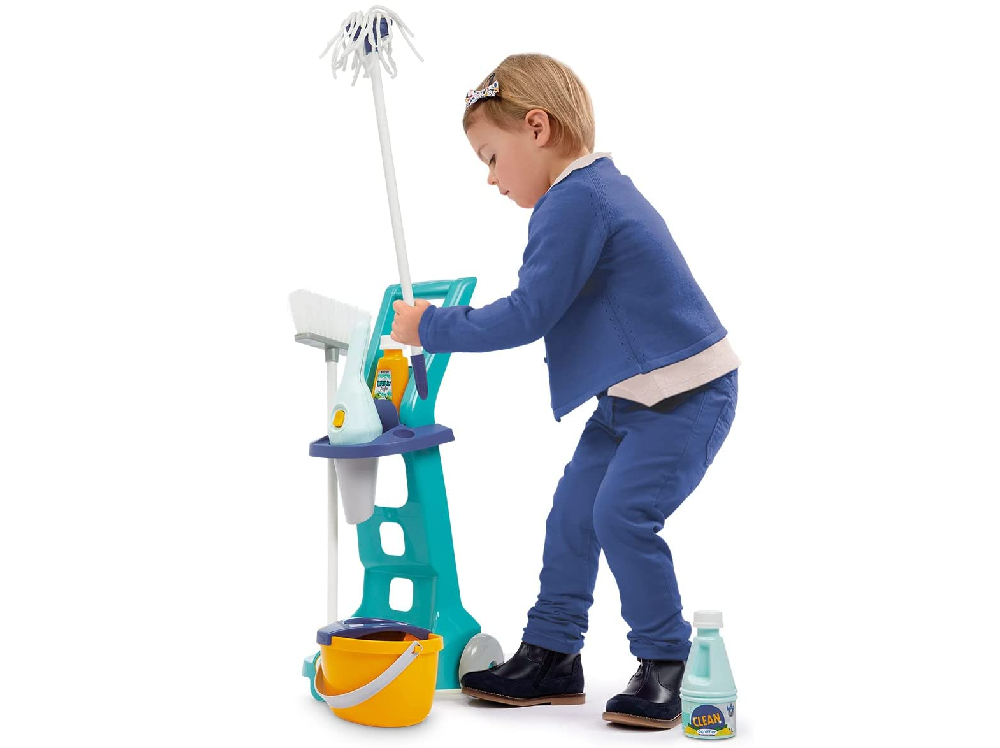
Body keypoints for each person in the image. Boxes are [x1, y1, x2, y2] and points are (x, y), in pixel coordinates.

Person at [389, 53, 740, 730]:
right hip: (629, 399)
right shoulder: (588, 192)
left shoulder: (576, 200)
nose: (491, 178)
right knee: (573, 516)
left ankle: (666, 661)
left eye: (492, 157)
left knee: (620, 516)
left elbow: (528, 314)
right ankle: (552, 652)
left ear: (537, 128)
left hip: (685, 394)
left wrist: (430, 327)